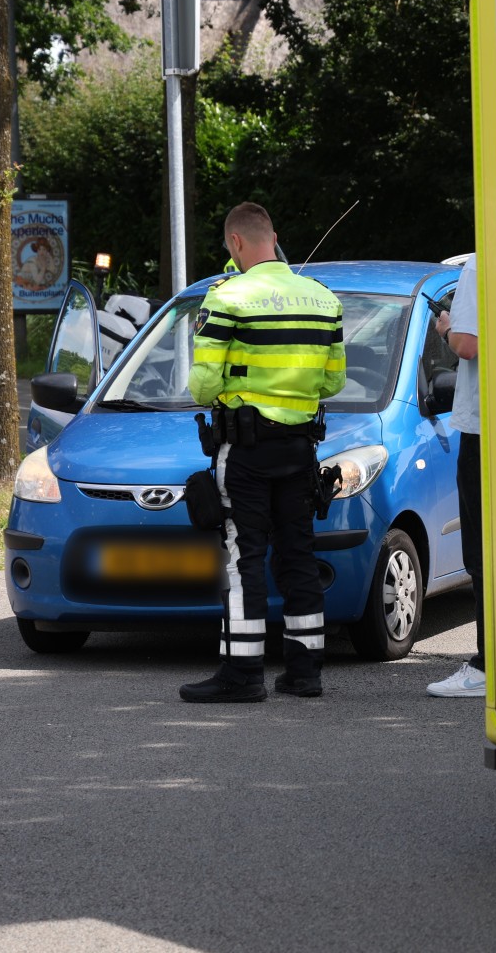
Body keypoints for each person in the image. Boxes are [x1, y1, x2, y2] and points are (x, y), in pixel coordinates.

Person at [180, 202, 346, 703]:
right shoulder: (324, 299)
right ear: (273, 237)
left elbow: (202, 387)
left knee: (242, 557)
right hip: (300, 450)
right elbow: (333, 381)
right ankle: (305, 671)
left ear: (235, 243)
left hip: (247, 452)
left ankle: (243, 674)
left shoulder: (228, 298)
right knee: (298, 553)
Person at [428, 255, 485, 698]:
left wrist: (447, 327)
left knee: (482, 552)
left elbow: (468, 344)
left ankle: (487, 664)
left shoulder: (476, 267)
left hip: (483, 426)